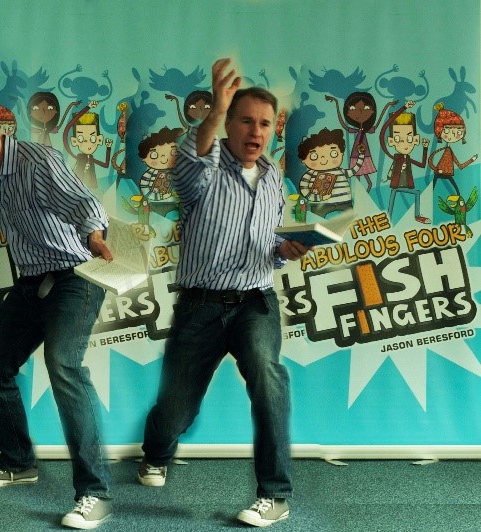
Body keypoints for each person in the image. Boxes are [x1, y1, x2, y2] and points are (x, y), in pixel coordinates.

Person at [137, 58, 308, 528]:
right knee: (177, 407)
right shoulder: (205, 169)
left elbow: (265, 243)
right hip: (201, 305)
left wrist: (284, 249)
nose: (256, 131)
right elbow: (191, 160)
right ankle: (156, 451)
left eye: (265, 124)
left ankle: (274, 495)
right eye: (246, 120)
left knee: (270, 381)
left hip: (255, 301)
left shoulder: (274, 177)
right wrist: (214, 109)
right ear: (228, 125)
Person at [0, 96, 115, 530]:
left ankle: (94, 493)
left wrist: (94, 235)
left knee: (63, 365)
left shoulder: (37, 160)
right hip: (32, 282)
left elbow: (82, 203)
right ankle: (19, 461)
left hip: (76, 276)